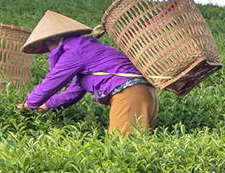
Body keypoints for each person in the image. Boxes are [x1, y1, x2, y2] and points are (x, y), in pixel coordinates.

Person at [19, 11, 159, 135]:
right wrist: (45, 106)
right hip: (143, 93)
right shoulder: (85, 50)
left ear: (55, 39)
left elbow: (52, 82)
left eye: (48, 47)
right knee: (136, 148)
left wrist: (28, 105)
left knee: (123, 151)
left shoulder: (75, 50)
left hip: (128, 94)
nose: (50, 53)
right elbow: (72, 93)